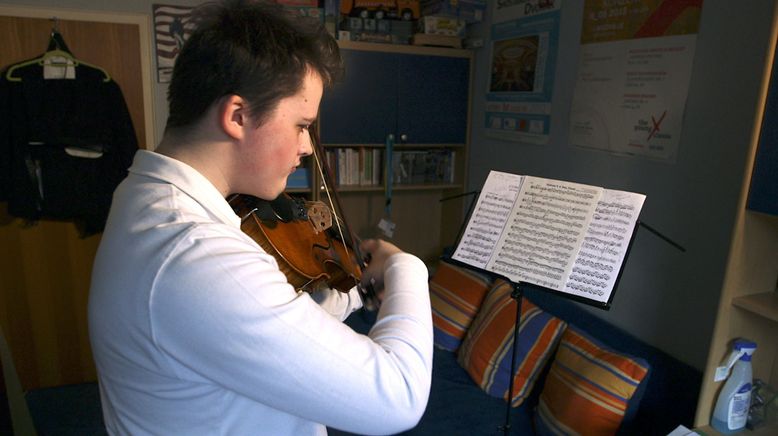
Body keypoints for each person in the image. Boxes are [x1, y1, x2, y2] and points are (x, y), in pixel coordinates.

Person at [87, 1, 433, 434]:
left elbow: (253, 327)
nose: (307, 147)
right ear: (237, 116)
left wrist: (349, 294)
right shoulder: (197, 256)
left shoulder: (142, 194)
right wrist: (406, 266)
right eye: (301, 125)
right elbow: (398, 397)